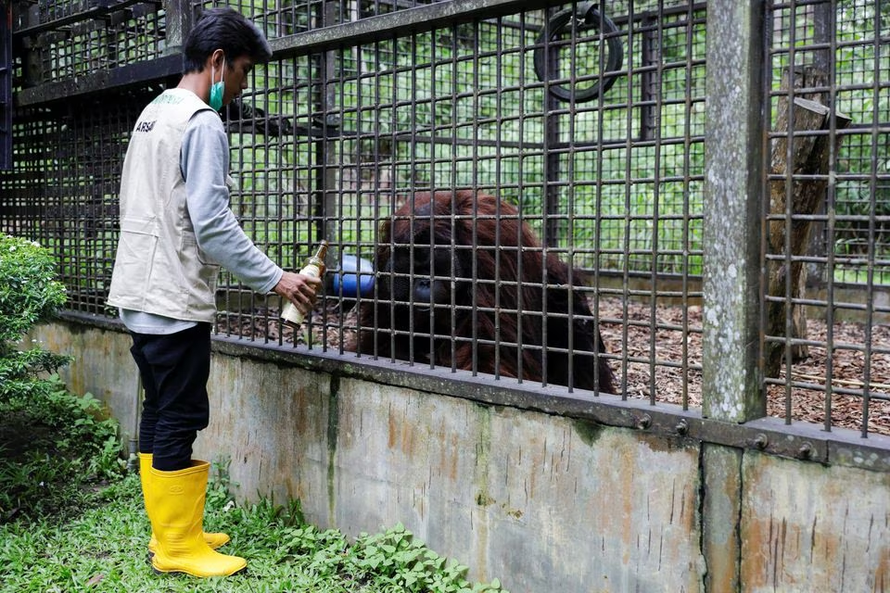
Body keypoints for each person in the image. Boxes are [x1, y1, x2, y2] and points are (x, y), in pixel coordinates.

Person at [106, 7, 320, 578]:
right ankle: (178, 548)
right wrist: (278, 278)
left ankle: (172, 530)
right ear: (219, 61)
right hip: (173, 297)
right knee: (180, 414)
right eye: (244, 72)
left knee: (159, 409)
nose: (242, 86)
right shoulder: (201, 121)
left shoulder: (154, 112)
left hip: (138, 291)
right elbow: (213, 223)